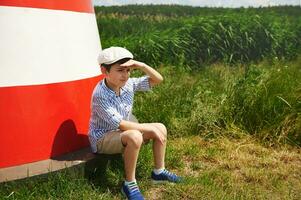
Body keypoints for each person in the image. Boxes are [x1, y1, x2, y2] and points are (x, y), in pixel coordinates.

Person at [88, 46, 181, 200]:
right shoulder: (100, 95)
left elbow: (158, 79)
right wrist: (147, 128)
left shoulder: (128, 84)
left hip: (121, 132)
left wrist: (142, 65)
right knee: (135, 136)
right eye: (120, 70)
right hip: (102, 138)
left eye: (128, 70)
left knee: (160, 127)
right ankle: (129, 184)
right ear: (104, 71)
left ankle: (159, 172)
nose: (125, 76)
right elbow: (121, 124)